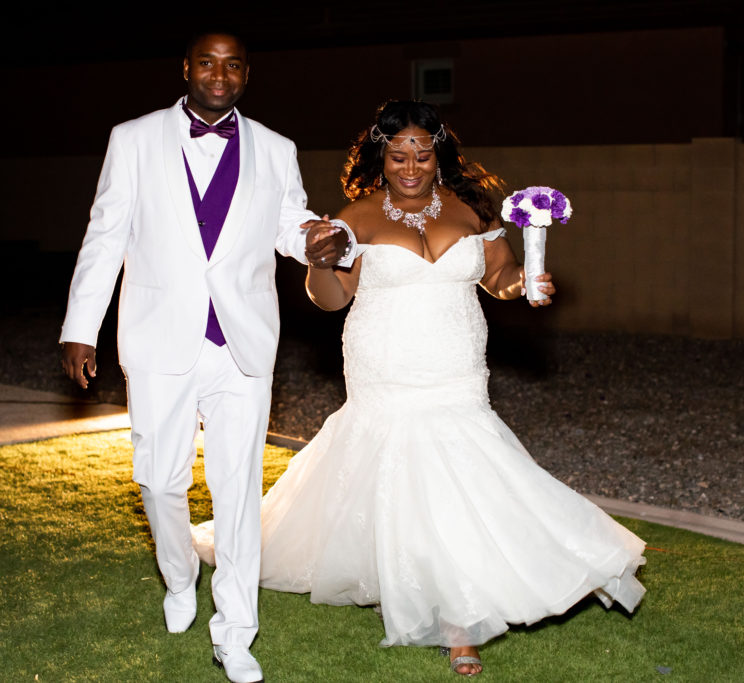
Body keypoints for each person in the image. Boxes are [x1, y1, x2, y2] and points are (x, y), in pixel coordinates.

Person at [194, 100, 646, 677]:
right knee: (405, 476)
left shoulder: (472, 210)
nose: (410, 165)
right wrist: (319, 262)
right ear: (380, 157)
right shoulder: (353, 218)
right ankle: (457, 622)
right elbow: (329, 299)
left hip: (456, 368)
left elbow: (498, 277)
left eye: (422, 154)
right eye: (398, 154)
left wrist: (525, 284)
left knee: (464, 477)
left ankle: (458, 609)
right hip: (385, 365)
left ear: (440, 157)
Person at [59, 31, 355, 683]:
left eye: (232, 65)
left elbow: (289, 223)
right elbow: (105, 236)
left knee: (237, 490)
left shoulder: (276, 149)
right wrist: (81, 325)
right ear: (186, 68)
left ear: (246, 75)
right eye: (206, 62)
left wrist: (316, 240)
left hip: (242, 345)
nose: (218, 74)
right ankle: (180, 571)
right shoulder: (132, 139)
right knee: (158, 479)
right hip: (160, 338)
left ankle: (236, 633)